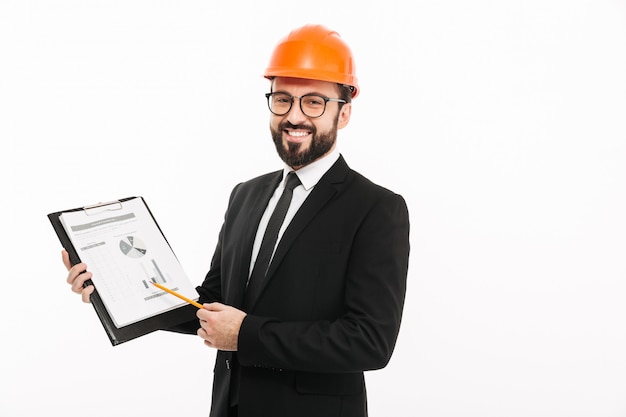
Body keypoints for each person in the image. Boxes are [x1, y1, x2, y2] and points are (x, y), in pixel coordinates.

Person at [64, 24, 410, 417]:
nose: (294, 116)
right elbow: (213, 303)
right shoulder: (246, 194)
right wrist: (112, 293)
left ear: (343, 112)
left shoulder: (377, 208)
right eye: (282, 99)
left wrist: (246, 335)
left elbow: (369, 342)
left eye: (313, 102)